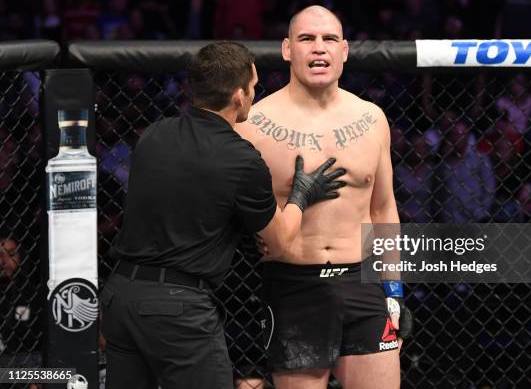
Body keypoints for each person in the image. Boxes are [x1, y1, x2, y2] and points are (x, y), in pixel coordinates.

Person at [100, 41, 348, 389]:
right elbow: (278, 241)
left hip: (120, 295)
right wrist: (301, 196)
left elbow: (185, 197)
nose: (254, 95)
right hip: (177, 309)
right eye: (253, 88)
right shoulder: (240, 160)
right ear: (238, 95)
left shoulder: (154, 135)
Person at [236, 6, 410, 389]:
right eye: (306, 39)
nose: (319, 49)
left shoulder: (372, 119)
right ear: (286, 49)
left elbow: (383, 208)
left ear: (344, 50)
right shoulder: (253, 125)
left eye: (329, 39)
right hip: (293, 283)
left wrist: (394, 289)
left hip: (363, 281)